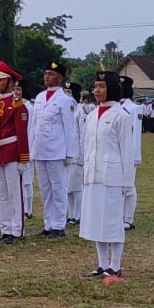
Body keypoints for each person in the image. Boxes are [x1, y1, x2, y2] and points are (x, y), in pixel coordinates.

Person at [79, 70, 139, 279]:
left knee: (112, 222)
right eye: (95, 86)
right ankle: (102, 264)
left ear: (112, 88)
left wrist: (127, 183)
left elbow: (127, 151)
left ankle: (115, 265)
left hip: (113, 175)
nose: (97, 90)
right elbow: (87, 147)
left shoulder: (121, 116)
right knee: (96, 221)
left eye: (102, 87)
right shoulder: (92, 115)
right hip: (93, 174)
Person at [30, 59, 78, 238]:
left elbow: (69, 128)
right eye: (45, 74)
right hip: (41, 148)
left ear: (59, 78)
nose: (46, 77)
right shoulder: (41, 97)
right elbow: (34, 125)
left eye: (50, 74)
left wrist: (69, 153)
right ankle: (48, 223)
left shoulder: (66, 100)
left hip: (57, 150)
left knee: (58, 187)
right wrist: (31, 147)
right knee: (45, 189)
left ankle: (59, 224)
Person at [0, 61, 31, 245]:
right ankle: (5, 228)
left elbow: (22, 133)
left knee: (15, 192)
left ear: (11, 82)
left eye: (1, 80)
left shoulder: (17, 104)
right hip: (0, 152)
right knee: (1, 194)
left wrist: (23, 158)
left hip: (13, 151)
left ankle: (16, 230)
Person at [119, 75, 142, 230]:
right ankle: (119, 216)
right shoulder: (114, 106)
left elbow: (136, 134)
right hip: (115, 154)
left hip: (129, 154)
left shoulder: (134, 108)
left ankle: (128, 218)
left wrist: (134, 156)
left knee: (129, 186)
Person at [66, 81, 86, 225]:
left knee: (76, 186)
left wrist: (82, 155)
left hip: (76, 154)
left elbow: (83, 135)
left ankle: (78, 215)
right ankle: (71, 214)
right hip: (64, 155)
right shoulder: (64, 109)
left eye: (69, 92)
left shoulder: (80, 111)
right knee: (67, 188)